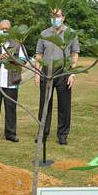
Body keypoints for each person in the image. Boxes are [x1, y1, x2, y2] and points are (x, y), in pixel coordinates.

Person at [34, 8, 80, 145]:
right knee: (45, 104)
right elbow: (39, 55)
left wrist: (72, 73)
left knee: (64, 106)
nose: (55, 18)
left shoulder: (71, 33)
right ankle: (42, 133)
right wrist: (37, 73)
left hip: (64, 71)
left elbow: (75, 54)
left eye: (58, 16)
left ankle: (63, 135)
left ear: (64, 17)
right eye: (53, 16)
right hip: (46, 72)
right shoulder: (44, 34)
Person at [0, 20, 27, 142]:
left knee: (11, 108)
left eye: (6, 29)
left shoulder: (17, 44)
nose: (4, 30)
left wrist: (11, 58)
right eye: (2, 28)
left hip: (11, 82)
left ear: (11, 30)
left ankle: (10, 133)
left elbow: (23, 62)